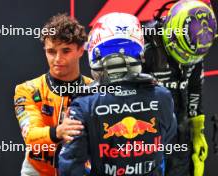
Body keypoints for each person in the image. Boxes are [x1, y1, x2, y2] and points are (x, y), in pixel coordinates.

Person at [58, 12, 177, 176]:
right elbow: (168, 138)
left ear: (95, 50)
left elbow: (70, 167)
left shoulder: (83, 104)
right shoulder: (162, 96)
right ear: (139, 50)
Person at [142, 0, 217, 175]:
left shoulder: (195, 43)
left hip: (180, 132)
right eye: (185, 53)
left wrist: (198, 133)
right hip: (146, 135)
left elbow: (194, 89)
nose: (189, 59)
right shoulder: (143, 43)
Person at [14, 13, 92, 176]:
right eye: (51, 51)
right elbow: (30, 135)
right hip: (37, 170)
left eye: (66, 51)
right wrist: (58, 131)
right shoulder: (28, 90)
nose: (58, 58)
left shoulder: (95, 90)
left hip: (80, 170)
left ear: (80, 50)